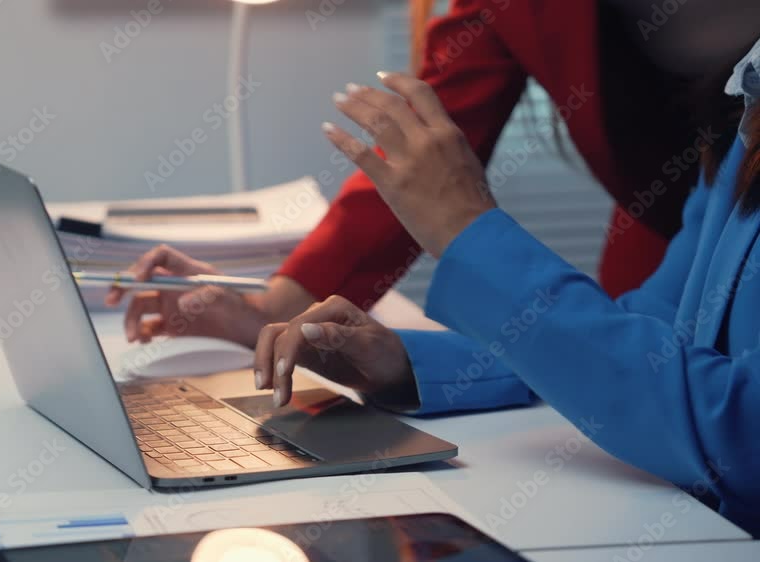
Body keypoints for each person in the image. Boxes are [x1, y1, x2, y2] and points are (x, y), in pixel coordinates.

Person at [107, 0, 760, 413]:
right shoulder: (732, 131)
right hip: (699, 231)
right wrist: (393, 360)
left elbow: (724, 426)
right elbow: (426, 142)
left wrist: (471, 230)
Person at [251, 36, 760, 535]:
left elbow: (741, 432)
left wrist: (467, 229)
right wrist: (403, 364)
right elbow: (654, 329)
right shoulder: (742, 100)